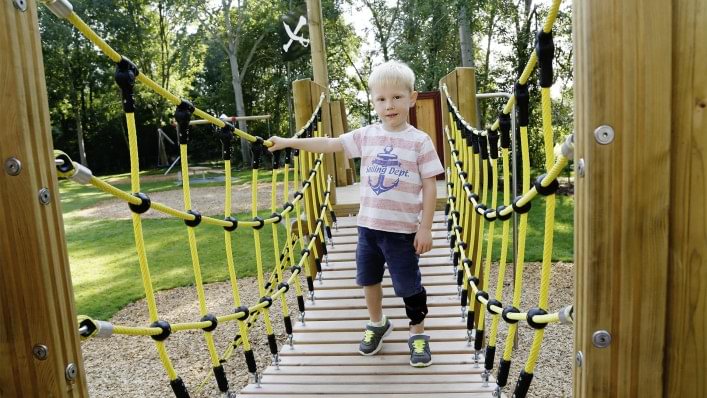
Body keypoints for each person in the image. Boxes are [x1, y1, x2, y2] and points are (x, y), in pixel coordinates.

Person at [268, 60, 443, 367]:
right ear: (373, 102)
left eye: (397, 97)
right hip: (368, 229)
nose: (389, 105)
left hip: (402, 232)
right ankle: (377, 323)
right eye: (381, 99)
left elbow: (430, 186)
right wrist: (288, 142)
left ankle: (418, 334)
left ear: (412, 98)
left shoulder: (420, 141)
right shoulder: (367, 135)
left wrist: (425, 227)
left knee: (409, 286)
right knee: (368, 280)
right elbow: (329, 143)